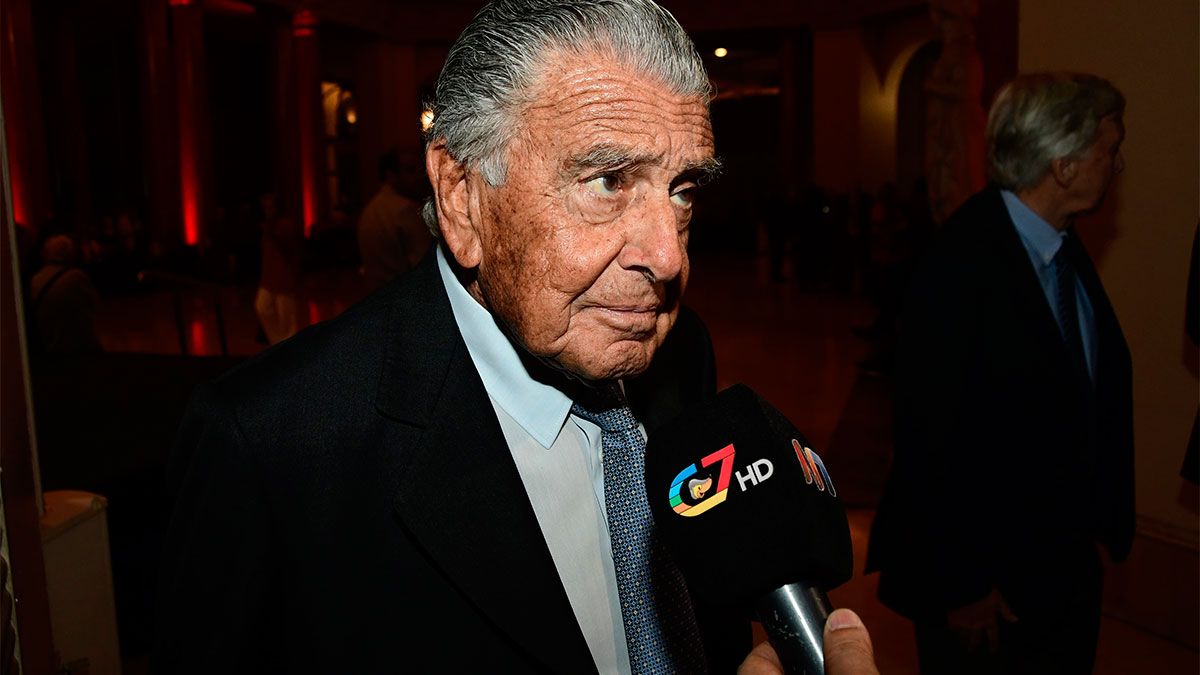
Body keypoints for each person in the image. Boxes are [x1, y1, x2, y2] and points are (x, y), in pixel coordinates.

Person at [157, 2, 845, 673]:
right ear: (462, 197)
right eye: (608, 181)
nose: (668, 258)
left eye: (683, 190)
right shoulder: (272, 445)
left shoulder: (680, 350)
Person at [866, 72, 1133, 674]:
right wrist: (962, 589)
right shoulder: (958, 264)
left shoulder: (1062, 247)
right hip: (984, 591)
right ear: (1063, 165)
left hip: (1056, 571)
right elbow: (930, 440)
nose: (1117, 165)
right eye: (1108, 149)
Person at [357, 149, 432, 291]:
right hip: (403, 293)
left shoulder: (372, 207)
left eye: (420, 169)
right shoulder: (406, 210)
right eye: (410, 170)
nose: (419, 176)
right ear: (390, 175)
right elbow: (423, 266)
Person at [28, 234, 103, 355]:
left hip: (48, 344)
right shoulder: (76, 277)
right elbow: (94, 305)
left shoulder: (35, 279)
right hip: (74, 345)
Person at [254, 192, 301, 345]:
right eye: (265, 208)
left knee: (287, 320)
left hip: (284, 279)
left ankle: (288, 347)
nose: (268, 211)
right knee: (262, 307)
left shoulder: (285, 226)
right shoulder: (268, 227)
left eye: (271, 207)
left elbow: (291, 251)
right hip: (268, 279)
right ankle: (278, 343)